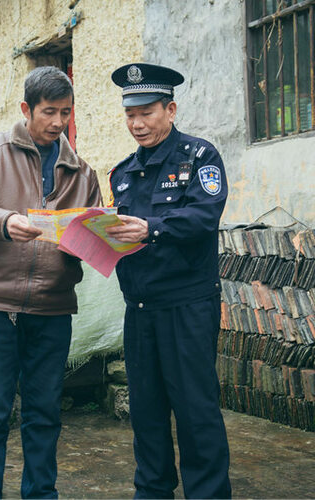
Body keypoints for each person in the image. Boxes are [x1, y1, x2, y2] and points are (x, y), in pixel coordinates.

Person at [0, 66, 102, 499]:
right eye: (49, 112)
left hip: (53, 308)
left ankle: (40, 494)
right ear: (26, 109)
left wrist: (94, 241)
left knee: (45, 413)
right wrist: (5, 220)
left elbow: (90, 230)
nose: (57, 123)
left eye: (66, 113)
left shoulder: (82, 172)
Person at [105, 63, 232, 499]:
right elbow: (118, 233)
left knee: (196, 410)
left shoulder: (200, 158)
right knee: (146, 411)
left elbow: (202, 216)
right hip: (140, 309)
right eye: (129, 115)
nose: (137, 124)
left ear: (170, 109)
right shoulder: (121, 174)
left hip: (187, 305)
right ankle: (152, 492)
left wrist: (150, 229)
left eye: (146, 113)